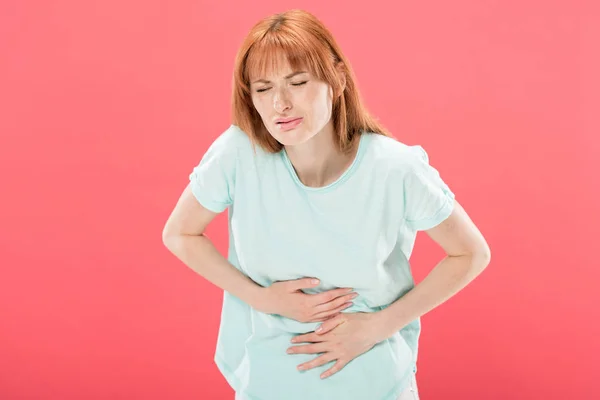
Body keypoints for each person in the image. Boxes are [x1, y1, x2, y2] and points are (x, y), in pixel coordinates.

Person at [162, 9, 491, 400]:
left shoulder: (394, 167)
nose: (280, 103)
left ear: (336, 78)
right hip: (269, 384)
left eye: (297, 82)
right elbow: (179, 233)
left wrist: (378, 326)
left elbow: (471, 253)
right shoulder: (239, 154)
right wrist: (261, 297)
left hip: (377, 383)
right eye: (263, 89)